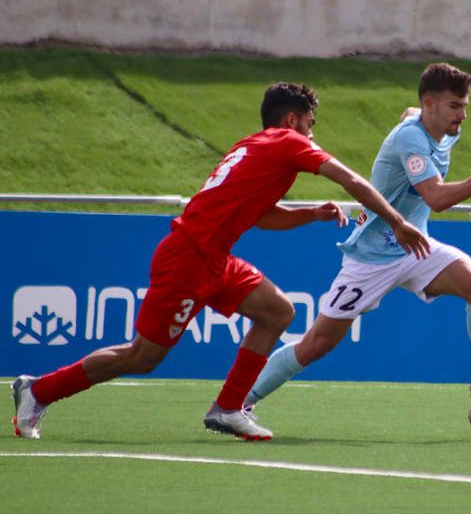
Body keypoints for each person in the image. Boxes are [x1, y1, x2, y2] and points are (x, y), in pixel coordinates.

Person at [11, 82, 430, 441]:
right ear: (290, 120)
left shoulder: (255, 146)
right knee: (142, 357)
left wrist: (310, 215)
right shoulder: (288, 142)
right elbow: (352, 180)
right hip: (188, 259)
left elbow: (262, 216)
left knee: (277, 311)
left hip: (213, 258)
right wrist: (397, 222)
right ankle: (40, 390)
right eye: (309, 122)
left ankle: (228, 407)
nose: (311, 132)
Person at [245, 62, 471, 431]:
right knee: (315, 345)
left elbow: (409, 112)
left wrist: (412, 114)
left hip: (415, 247)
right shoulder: (411, 139)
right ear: (430, 103)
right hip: (371, 258)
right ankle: (239, 402)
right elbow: (435, 197)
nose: (463, 116)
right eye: (455, 106)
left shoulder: (437, 128)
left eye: (465, 106)